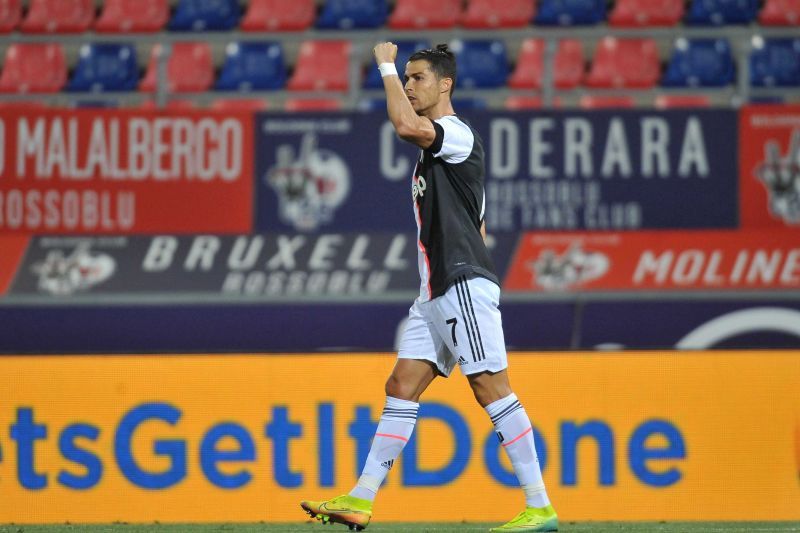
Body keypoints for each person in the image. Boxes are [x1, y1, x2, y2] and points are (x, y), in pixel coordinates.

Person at [300, 42, 558, 533]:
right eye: (407, 77)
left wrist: (385, 67)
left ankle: (540, 505)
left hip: (459, 283)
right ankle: (361, 497)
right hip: (434, 292)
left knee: (490, 388)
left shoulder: (456, 134)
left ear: (445, 84)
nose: (411, 85)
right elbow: (477, 221)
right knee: (400, 386)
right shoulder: (435, 162)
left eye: (418, 78)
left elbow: (406, 126)